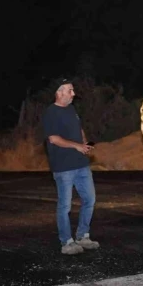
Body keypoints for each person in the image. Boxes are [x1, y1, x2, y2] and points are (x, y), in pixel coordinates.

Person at [42, 77, 100, 255]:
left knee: (89, 200)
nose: (73, 94)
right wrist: (76, 146)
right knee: (65, 206)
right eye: (70, 90)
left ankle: (83, 236)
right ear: (59, 93)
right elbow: (54, 139)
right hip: (64, 167)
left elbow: (79, 128)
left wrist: (83, 143)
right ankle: (66, 242)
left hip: (81, 164)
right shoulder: (51, 113)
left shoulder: (72, 109)